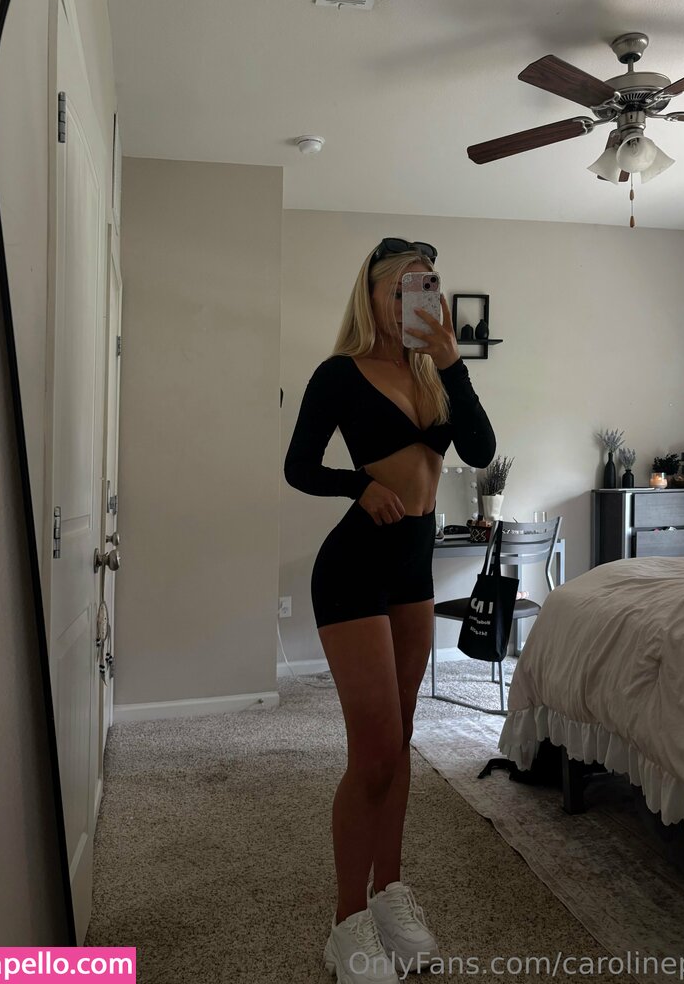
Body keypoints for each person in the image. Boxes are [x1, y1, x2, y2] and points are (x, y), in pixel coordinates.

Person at [283, 238, 497, 983]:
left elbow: (480, 450)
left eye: (428, 285)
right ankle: (346, 923)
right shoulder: (339, 373)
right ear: (372, 295)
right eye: (404, 286)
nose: (417, 297)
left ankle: (389, 893)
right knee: (373, 752)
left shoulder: (434, 374)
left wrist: (451, 360)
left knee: (401, 741)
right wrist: (358, 485)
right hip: (353, 569)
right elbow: (298, 466)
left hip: (412, 570)